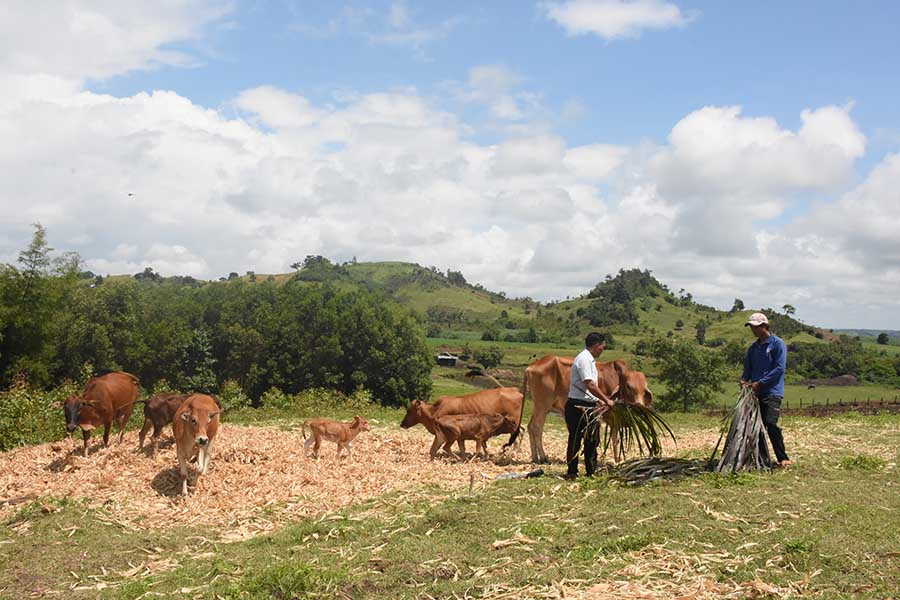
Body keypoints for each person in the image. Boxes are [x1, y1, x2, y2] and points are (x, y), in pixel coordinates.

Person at [741, 312, 792, 468]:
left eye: (756, 327)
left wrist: (761, 383)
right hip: (755, 393)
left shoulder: (777, 344)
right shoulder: (753, 348)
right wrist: (744, 381)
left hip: (772, 392)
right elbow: (748, 368)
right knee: (757, 426)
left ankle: (782, 457)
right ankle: (762, 458)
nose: (753, 330)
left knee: (770, 423)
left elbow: (779, 368)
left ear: (765, 326)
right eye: (751, 327)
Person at [564, 332, 615, 479]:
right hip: (578, 406)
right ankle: (572, 472)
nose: (602, 350)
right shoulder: (584, 359)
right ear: (596, 345)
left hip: (589, 404)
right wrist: (606, 400)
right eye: (602, 347)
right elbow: (590, 384)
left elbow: (589, 388)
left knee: (592, 439)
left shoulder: (589, 359)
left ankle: (591, 470)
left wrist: (597, 401)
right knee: (576, 438)